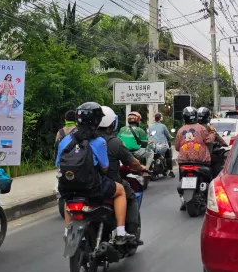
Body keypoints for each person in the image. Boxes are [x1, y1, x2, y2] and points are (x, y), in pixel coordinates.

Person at [56, 102, 135, 245]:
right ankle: (121, 232)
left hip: (66, 186)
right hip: (92, 187)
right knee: (121, 191)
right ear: (97, 121)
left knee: (69, 200)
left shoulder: (65, 140)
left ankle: (67, 232)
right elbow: (104, 168)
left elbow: (58, 164)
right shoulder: (99, 142)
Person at [99, 106, 147, 236]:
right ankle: (126, 232)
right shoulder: (114, 142)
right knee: (129, 195)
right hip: (108, 183)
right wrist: (141, 168)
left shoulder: (85, 139)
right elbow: (132, 162)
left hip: (86, 183)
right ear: (112, 123)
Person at [147, 112, 174, 177]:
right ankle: (171, 171)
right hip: (161, 145)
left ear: (154, 118)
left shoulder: (150, 126)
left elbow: (148, 135)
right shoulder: (163, 126)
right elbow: (167, 135)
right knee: (168, 155)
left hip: (151, 145)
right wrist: (171, 137)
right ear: (160, 118)